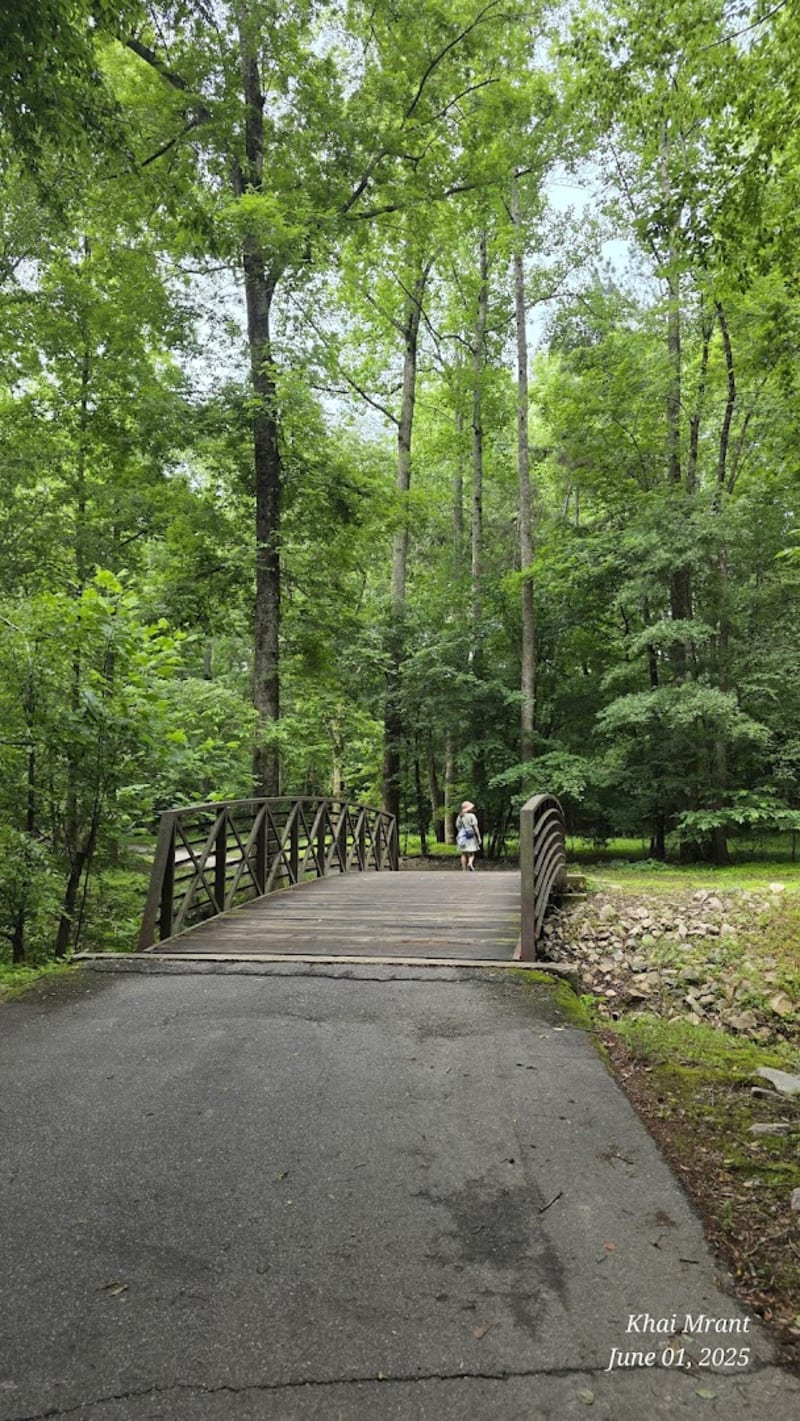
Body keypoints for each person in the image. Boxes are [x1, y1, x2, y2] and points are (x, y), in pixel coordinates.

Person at [455, 800, 481, 871]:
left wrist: (461, 833)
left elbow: (457, 826)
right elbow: (475, 827)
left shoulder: (460, 816)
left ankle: (464, 870)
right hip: (470, 836)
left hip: (462, 836)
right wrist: (479, 837)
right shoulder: (472, 816)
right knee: (471, 853)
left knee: (463, 853)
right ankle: (470, 863)